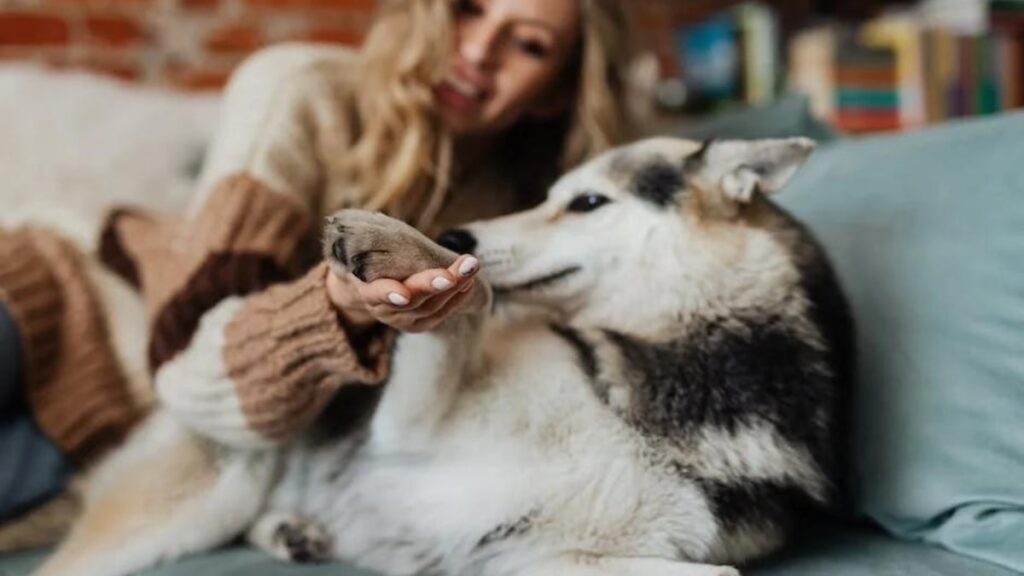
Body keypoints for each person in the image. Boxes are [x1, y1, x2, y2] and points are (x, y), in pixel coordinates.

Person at [0, 0, 635, 521]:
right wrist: (336, 308)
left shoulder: (527, 215)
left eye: (528, 45)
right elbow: (191, 369)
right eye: (466, 11)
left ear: (557, 92)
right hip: (64, 303)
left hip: (101, 430)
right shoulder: (299, 91)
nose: (476, 52)